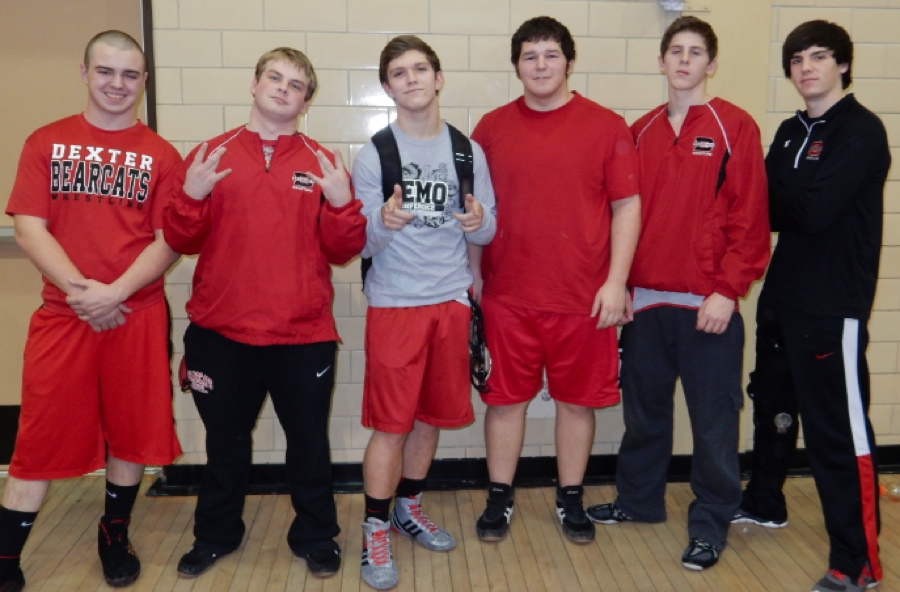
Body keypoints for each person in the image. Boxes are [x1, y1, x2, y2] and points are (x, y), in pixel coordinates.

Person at [163, 47, 366, 580]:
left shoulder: (322, 162)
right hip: (221, 334)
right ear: (254, 86)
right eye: (274, 78)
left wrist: (344, 205)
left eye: (296, 84)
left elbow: (342, 250)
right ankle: (215, 535)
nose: (283, 88)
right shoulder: (210, 154)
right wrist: (190, 194)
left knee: (309, 444)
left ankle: (317, 536)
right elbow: (181, 237)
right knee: (224, 446)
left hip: (302, 336)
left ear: (305, 100)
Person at [584, 16, 770, 571]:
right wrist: (617, 286)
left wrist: (727, 290)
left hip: (707, 307)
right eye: (675, 51)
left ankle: (712, 522)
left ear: (711, 65)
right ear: (661, 61)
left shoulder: (735, 126)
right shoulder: (637, 131)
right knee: (645, 415)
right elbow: (618, 215)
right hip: (645, 304)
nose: (684, 60)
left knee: (714, 424)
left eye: (696, 53)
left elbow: (750, 219)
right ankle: (640, 501)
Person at [0, 30, 183, 591]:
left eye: (130, 75)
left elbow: (168, 239)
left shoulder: (161, 154)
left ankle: (115, 532)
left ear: (144, 82)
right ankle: (7, 557)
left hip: (136, 315)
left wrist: (116, 293)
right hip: (65, 316)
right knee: (39, 437)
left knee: (131, 434)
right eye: (106, 71)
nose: (117, 84)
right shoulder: (46, 142)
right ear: (85, 73)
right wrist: (87, 294)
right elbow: (29, 227)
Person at [471, 16, 641, 545]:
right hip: (507, 297)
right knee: (503, 403)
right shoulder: (491, 128)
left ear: (569, 61)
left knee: (577, 403)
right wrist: (474, 277)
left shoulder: (607, 126)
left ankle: (571, 498)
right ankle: (500, 497)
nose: (540, 65)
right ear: (517, 65)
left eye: (550, 54)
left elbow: (627, 205)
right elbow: (475, 211)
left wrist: (617, 282)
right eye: (529, 55)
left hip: (583, 298)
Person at [732, 20, 889, 592]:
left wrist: (783, 194)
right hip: (783, 296)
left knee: (837, 436)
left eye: (819, 57)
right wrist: (788, 196)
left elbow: (812, 212)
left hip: (832, 307)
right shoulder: (792, 130)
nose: (807, 68)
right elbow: (768, 211)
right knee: (772, 405)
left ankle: (857, 563)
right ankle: (765, 501)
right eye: (797, 59)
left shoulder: (862, 130)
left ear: (842, 64)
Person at [351, 35, 496, 590]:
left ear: (438, 78)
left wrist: (477, 219)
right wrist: (381, 224)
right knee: (391, 426)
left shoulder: (466, 151)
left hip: (451, 302)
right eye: (398, 73)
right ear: (388, 87)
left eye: (420, 69)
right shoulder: (376, 154)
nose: (411, 79)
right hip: (396, 306)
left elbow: (489, 227)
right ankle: (375, 528)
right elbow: (362, 242)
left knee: (432, 417)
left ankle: (408, 507)